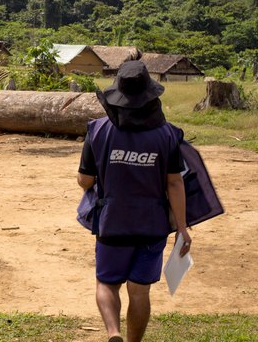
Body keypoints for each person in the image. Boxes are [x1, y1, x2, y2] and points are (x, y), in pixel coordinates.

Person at [77, 60, 191, 342]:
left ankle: (113, 332)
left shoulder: (98, 131)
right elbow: (175, 183)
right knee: (139, 290)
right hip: (151, 225)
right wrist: (183, 228)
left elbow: (85, 181)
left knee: (106, 283)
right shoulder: (168, 135)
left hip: (111, 223)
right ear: (150, 97)